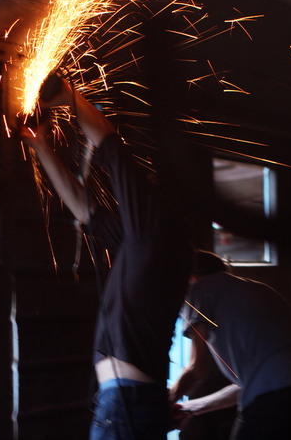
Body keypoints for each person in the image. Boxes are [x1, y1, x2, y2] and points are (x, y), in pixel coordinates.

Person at [21, 73, 193, 439]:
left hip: (127, 404)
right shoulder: (148, 242)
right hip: (128, 402)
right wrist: (40, 146)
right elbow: (85, 211)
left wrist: (68, 94)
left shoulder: (155, 231)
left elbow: (108, 141)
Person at [171, 250, 291, 440]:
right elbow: (249, 384)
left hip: (276, 405)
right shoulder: (261, 290)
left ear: (191, 278)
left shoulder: (200, 290)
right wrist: (188, 407)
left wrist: (165, 403)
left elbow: (197, 369)